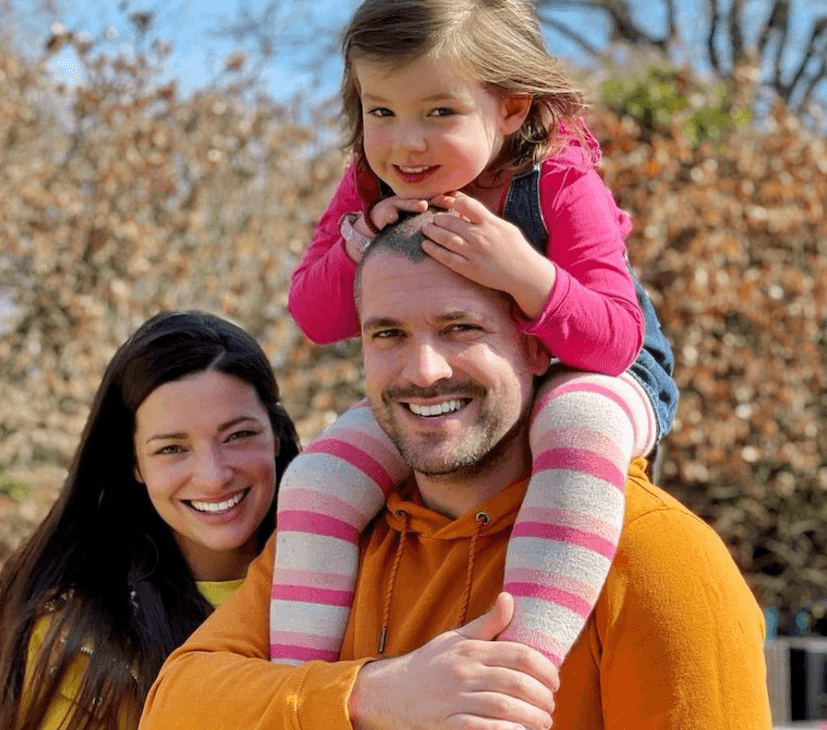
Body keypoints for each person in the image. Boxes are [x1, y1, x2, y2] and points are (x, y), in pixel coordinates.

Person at [139, 213, 771, 730]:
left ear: (534, 344)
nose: (423, 370)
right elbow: (173, 708)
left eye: (460, 328)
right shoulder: (333, 541)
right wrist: (373, 696)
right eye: (387, 334)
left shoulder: (658, 555)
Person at [272, 0, 677, 667]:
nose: (407, 141)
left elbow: (615, 342)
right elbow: (317, 319)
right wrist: (361, 242)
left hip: (594, 371)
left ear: (511, 108)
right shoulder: (367, 185)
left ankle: (515, 671)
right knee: (317, 477)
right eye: (382, 111)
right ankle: (301, 685)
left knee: (577, 422)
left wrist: (527, 276)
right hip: (451, 388)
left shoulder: (560, 184)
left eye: (439, 112)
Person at [0, 310, 300, 730]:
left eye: (238, 436)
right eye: (171, 449)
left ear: (274, 434)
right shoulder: (81, 633)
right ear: (135, 464)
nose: (214, 476)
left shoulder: (356, 568)